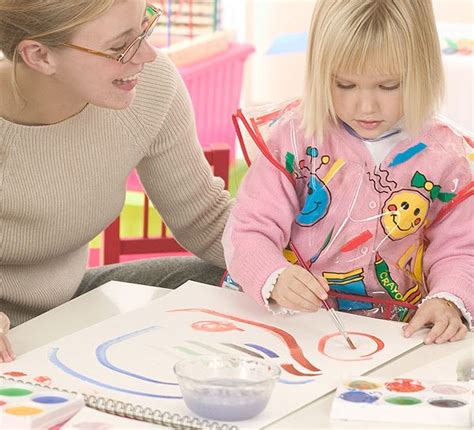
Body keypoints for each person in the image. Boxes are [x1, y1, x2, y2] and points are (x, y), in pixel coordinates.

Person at [223, 0, 472, 346]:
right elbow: (248, 230)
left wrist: (448, 298)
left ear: (424, 71)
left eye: (388, 86)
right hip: (293, 325)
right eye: (345, 85)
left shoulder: (445, 157)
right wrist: (273, 275)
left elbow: (462, 249)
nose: (365, 106)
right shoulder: (295, 138)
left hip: (397, 336)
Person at [0, 0, 233, 362]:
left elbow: (206, 218)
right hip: (9, 338)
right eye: (119, 46)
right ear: (39, 56)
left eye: (144, 26)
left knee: (229, 279)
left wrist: (319, 264)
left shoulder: (149, 86)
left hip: (70, 303)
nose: (148, 54)